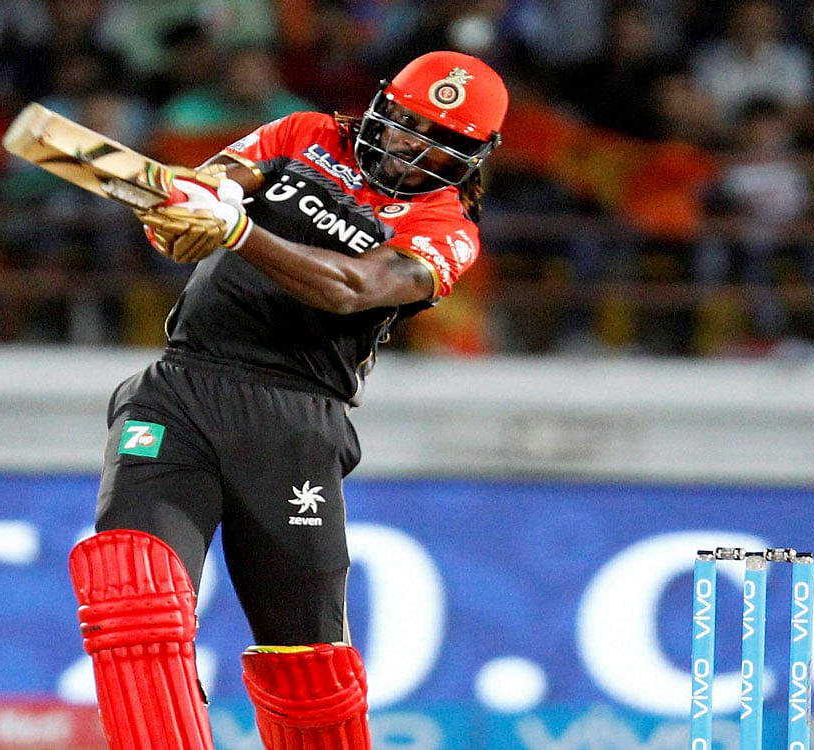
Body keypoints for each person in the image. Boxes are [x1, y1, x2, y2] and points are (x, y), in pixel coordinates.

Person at [67, 50, 508, 750]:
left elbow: (354, 289)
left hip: (293, 422)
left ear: (475, 156)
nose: (410, 150)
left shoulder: (447, 229)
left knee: (308, 670)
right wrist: (182, 213)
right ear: (381, 109)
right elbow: (205, 190)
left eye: (441, 144)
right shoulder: (304, 133)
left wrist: (239, 232)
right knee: (133, 591)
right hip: (182, 387)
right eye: (404, 125)